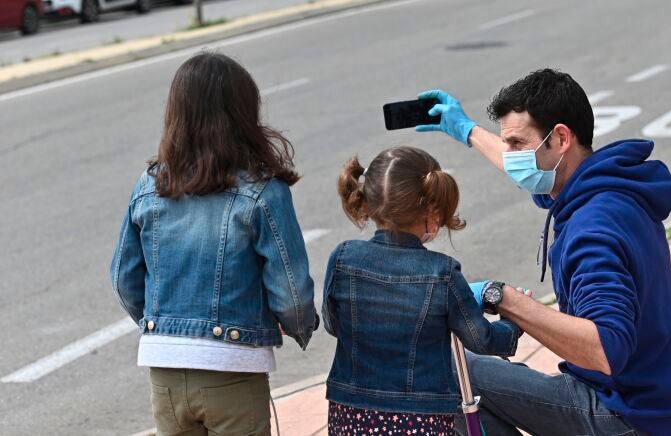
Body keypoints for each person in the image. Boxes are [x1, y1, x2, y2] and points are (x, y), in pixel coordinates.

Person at [414, 69, 671, 435]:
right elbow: (524, 167)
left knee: (445, 369)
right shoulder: (608, 189)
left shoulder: (592, 231)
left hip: (632, 417)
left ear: (560, 138)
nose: (511, 156)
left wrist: (500, 297)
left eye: (517, 143)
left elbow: (606, 350)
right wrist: (466, 130)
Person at [109, 52, 318, 436]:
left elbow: (124, 278)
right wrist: (300, 326)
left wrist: (163, 325)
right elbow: (291, 292)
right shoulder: (264, 191)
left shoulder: (150, 185)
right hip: (233, 366)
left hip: (164, 368)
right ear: (244, 115)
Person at [322, 146, 524, 435]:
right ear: (431, 209)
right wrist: (512, 325)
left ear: (369, 202)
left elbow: (334, 325)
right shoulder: (442, 272)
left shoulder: (343, 258)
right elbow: (481, 339)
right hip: (420, 417)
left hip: (349, 412)